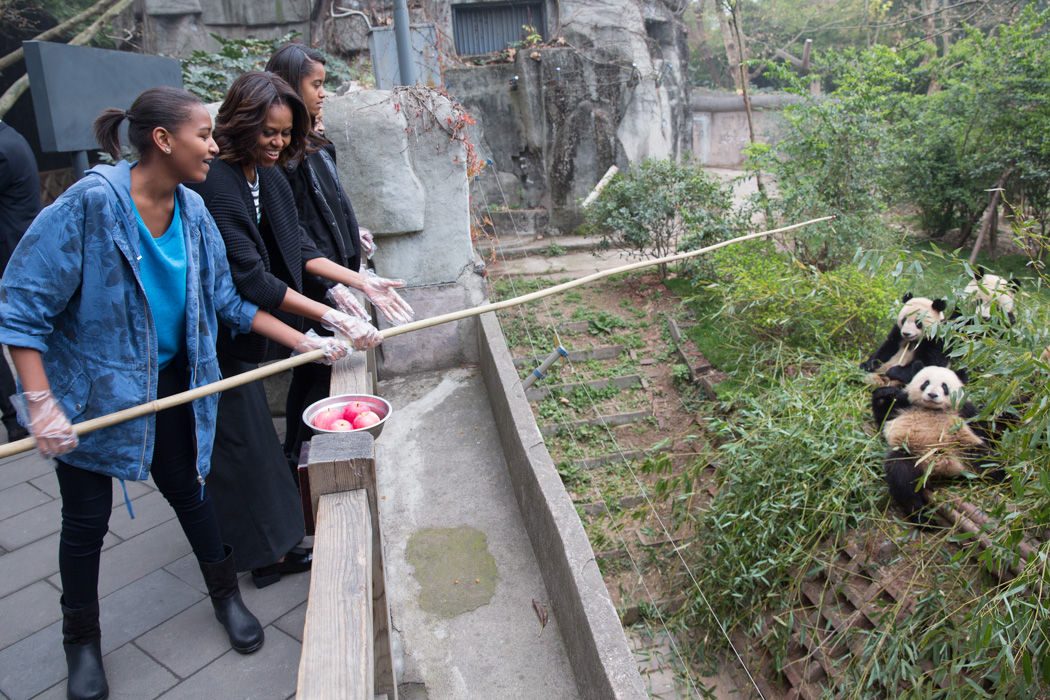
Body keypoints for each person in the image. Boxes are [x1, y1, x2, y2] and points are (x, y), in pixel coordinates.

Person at [0, 86, 350, 700]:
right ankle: (80, 642)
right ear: (163, 140)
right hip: (85, 394)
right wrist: (39, 402)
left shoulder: (191, 211)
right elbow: (21, 307)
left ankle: (225, 599)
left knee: (191, 491)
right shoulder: (90, 205)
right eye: (202, 135)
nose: (214, 146)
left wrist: (309, 339)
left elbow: (228, 301)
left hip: (168, 385)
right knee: (85, 522)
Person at [187, 71, 408, 588]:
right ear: (240, 122)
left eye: (286, 133)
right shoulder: (218, 185)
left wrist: (358, 282)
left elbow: (299, 249)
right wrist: (325, 318)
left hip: (247, 325)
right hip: (214, 338)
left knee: (255, 449)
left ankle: (273, 550)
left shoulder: (266, 176)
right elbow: (249, 278)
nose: (280, 143)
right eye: (270, 131)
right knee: (236, 452)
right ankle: (248, 563)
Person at [265, 44, 389, 465]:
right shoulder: (279, 159)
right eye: (315, 85)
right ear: (287, 86)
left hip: (336, 277)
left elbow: (330, 206)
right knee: (317, 375)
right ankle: (299, 459)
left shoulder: (317, 143)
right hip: (313, 288)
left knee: (321, 373)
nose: (323, 94)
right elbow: (291, 235)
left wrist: (354, 233)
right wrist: (333, 283)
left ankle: (297, 456)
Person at [0, 119, 41, 442]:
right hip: (19, 251)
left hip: (11, 258)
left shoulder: (3, 149)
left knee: (20, 333)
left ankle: (17, 417)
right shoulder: (10, 136)